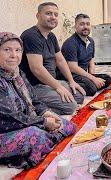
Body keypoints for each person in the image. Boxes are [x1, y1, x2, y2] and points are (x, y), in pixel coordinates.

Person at [0, 32, 76, 169]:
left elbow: (34, 100)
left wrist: (46, 113)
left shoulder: (17, 73)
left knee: (66, 124)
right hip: (5, 129)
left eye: (17, 50)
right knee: (35, 135)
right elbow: (10, 117)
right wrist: (44, 122)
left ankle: (38, 145)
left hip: (26, 121)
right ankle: (31, 149)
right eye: (7, 50)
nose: (13, 55)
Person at [20, 2, 86, 115]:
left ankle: (48, 102)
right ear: (38, 15)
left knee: (79, 96)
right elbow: (37, 68)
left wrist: (71, 81)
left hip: (49, 83)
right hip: (34, 86)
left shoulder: (51, 36)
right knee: (70, 107)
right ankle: (32, 109)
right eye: (48, 13)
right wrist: (58, 87)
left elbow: (60, 60)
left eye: (56, 14)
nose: (53, 17)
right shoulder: (31, 36)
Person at [61, 13, 111, 96]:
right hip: (71, 75)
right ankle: (68, 87)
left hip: (83, 75)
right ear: (75, 27)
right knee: (91, 88)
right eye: (82, 24)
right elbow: (72, 67)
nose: (85, 27)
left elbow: (91, 61)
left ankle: (89, 85)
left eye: (87, 24)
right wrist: (93, 79)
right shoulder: (70, 43)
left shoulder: (90, 41)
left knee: (107, 79)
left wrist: (93, 76)